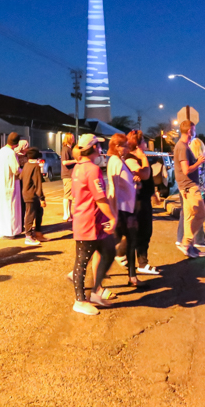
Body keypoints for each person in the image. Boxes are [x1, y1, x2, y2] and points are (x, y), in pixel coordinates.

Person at [70, 134, 118, 316]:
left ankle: (96, 292)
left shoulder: (78, 168)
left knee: (105, 253)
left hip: (88, 221)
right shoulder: (92, 169)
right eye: (98, 146)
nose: (101, 149)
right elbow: (100, 198)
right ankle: (80, 300)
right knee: (82, 262)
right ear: (92, 148)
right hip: (89, 222)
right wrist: (112, 217)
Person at [124, 130, 159, 275]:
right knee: (141, 232)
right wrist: (143, 157)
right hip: (137, 202)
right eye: (143, 141)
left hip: (143, 199)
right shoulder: (131, 158)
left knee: (143, 231)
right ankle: (140, 263)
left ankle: (126, 257)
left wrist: (153, 193)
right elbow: (144, 174)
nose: (146, 144)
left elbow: (147, 179)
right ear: (137, 145)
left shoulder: (137, 158)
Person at [107, 134, 139, 286]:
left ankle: (132, 277)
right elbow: (112, 188)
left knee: (132, 241)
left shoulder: (120, 161)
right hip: (121, 209)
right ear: (117, 146)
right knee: (110, 244)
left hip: (127, 207)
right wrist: (113, 214)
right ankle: (81, 271)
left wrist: (133, 180)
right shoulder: (115, 162)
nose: (127, 148)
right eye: (125, 145)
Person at [175, 120, 205, 259]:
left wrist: (201, 161)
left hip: (189, 187)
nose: (195, 132)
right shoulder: (182, 147)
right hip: (189, 187)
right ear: (189, 131)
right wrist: (199, 162)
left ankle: (190, 247)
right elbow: (186, 170)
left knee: (190, 218)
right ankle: (186, 242)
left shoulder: (186, 146)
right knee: (201, 214)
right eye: (194, 129)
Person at [0, 133, 23, 238]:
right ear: (16, 143)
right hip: (10, 183)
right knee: (11, 208)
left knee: (1, 208)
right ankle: (11, 231)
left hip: (1, 184)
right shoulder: (10, 153)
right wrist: (25, 171)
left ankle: (1, 230)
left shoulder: (2, 150)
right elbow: (16, 169)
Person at [21, 147, 47, 245]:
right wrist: (42, 198)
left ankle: (38, 234)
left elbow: (21, 177)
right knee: (30, 215)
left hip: (26, 193)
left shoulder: (26, 165)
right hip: (33, 195)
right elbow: (38, 183)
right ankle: (28, 236)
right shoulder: (35, 167)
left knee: (38, 212)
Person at [61, 133, 76, 222]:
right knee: (67, 195)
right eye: (73, 138)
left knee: (70, 196)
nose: (74, 139)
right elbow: (64, 162)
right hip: (67, 175)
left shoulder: (70, 149)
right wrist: (75, 160)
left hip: (71, 175)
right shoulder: (66, 149)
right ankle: (66, 214)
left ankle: (69, 213)